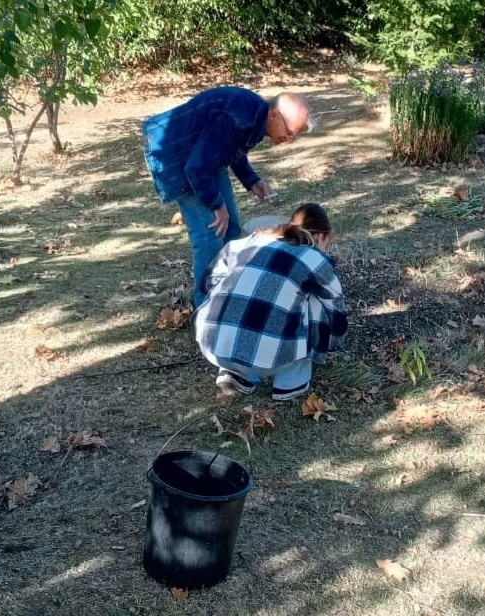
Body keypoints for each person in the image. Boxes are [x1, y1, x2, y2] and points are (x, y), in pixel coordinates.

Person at [142, 87, 312, 306]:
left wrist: (252, 181)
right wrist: (216, 204)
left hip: (204, 158)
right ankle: (205, 307)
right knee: (210, 231)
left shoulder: (256, 116)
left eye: (296, 134)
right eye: (290, 131)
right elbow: (196, 168)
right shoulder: (238, 117)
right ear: (274, 115)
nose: (291, 139)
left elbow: (232, 150)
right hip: (179, 156)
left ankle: (227, 291)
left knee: (231, 227)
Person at [193, 203, 348, 401]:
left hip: (211, 346)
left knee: (244, 294)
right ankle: (291, 382)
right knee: (315, 300)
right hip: (270, 359)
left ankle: (234, 372)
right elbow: (335, 308)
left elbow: (209, 282)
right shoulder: (313, 258)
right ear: (321, 236)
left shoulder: (245, 243)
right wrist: (332, 344)